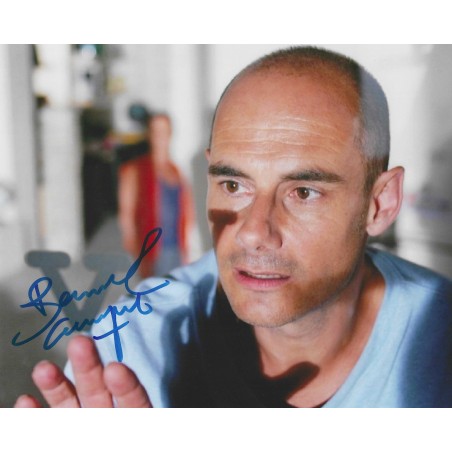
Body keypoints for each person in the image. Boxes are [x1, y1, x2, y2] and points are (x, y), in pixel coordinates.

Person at [15, 46, 452, 408]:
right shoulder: (129, 352)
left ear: (380, 203)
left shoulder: (437, 342)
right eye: (233, 185)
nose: (252, 233)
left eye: (303, 192)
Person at [117, 113, 192, 278]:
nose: (160, 136)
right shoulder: (134, 170)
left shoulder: (176, 171)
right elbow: (126, 214)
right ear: (149, 134)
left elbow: (185, 209)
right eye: (155, 130)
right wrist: (134, 249)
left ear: (170, 133)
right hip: (152, 250)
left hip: (175, 247)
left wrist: (186, 248)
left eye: (164, 130)